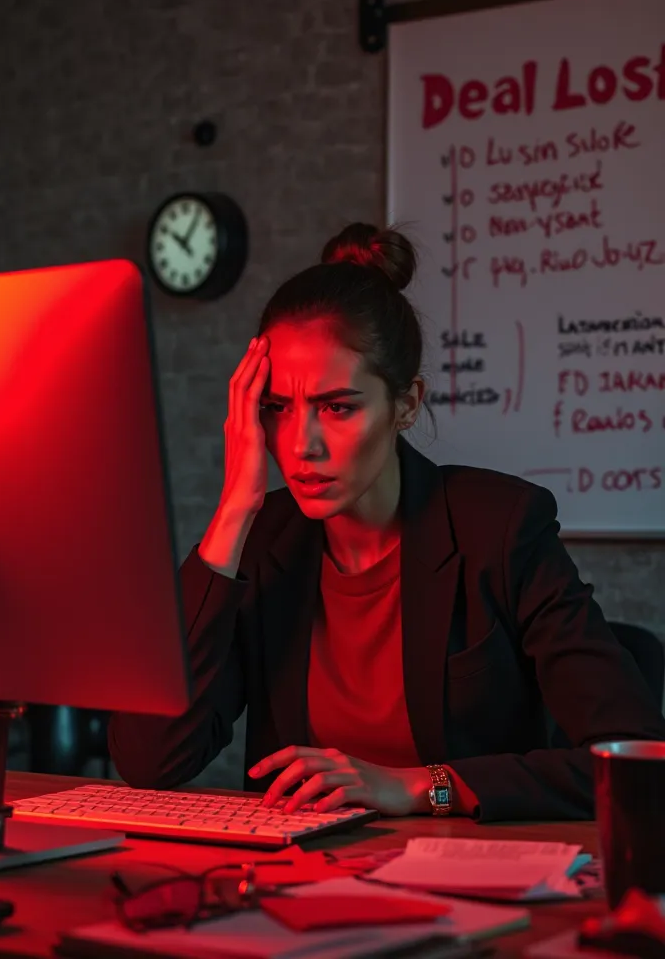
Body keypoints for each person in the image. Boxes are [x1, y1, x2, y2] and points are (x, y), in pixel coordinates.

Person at [108, 223, 665, 822]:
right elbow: (149, 760)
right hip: (296, 883)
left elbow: (638, 762)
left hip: (469, 883)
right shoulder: (260, 542)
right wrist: (234, 509)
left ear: (405, 404)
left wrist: (423, 788)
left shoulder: (499, 528)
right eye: (277, 409)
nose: (302, 446)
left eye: (338, 407)